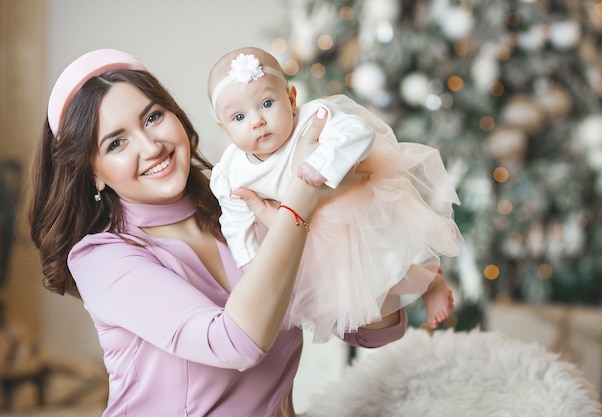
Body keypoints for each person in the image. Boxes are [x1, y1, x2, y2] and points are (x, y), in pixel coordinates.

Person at [28, 48, 409, 417]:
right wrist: (302, 200)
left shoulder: (239, 205)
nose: (151, 146)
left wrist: (355, 228)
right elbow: (234, 344)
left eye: (152, 117)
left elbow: (372, 331)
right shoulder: (101, 258)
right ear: (93, 171)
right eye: (117, 143)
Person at [208, 47, 464, 342]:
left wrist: (323, 164)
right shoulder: (229, 172)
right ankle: (398, 309)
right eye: (239, 117)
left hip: (349, 216)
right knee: (347, 302)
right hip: (299, 239)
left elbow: (358, 132)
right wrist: (252, 267)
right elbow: (236, 225)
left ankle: (430, 283)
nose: (257, 121)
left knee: (386, 275)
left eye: (267, 103)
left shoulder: (313, 117)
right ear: (224, 128)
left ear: (291, 98)